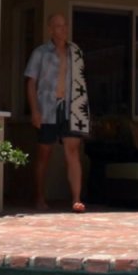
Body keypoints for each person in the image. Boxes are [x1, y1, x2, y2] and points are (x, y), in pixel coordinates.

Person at [24, 13, 90, 212]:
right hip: (47, 107)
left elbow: (81, 81)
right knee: (45, 153)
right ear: (50, 29)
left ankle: (76, 199)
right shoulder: (40, 53)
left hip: (71, 108)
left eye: (65, 25)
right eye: (58, 26)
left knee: (72, 150)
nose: (63, 29)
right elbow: (31, 82)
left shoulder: (75, 52)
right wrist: (35, 111)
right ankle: (39, 197)